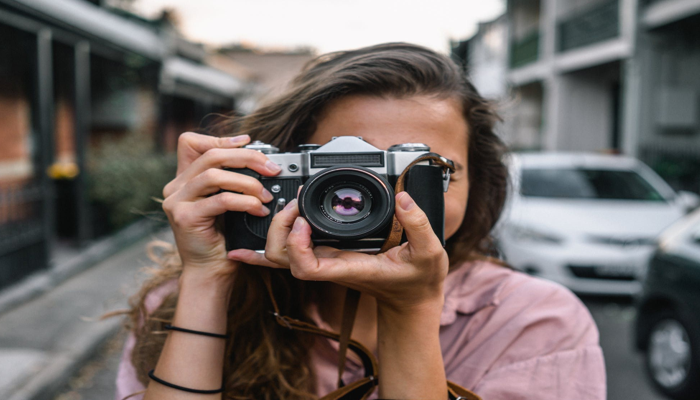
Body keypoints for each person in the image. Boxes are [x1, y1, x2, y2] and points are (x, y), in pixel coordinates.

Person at [115, 42, 606, 400]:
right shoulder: (181, 304)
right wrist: (208, 279)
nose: (379, 199)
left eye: (427, 172)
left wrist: (410, 310)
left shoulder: (534, 324)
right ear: (280, 172)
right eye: (344, 173)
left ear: (479, 183)